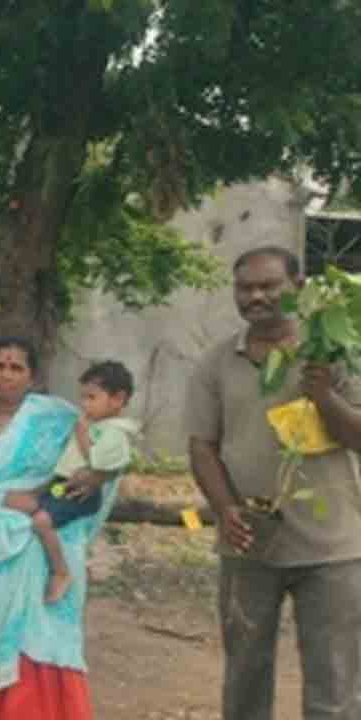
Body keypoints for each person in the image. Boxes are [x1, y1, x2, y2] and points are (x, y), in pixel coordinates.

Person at [187, 246, 361, 720]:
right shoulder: (217, 362)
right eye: (246, 288)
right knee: (245, 677)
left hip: (332, 550)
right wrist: (225, 510)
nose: (256, 296)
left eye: (269, 286)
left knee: (335, 686)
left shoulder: (331, 352)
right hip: (249, 544)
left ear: (298, 287)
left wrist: (324, 395)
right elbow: (202, 446)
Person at [0, 338, 111, 720]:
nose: (5, 374)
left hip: (39, 541)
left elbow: (89, 475)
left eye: (16, 367)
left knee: (36, 636)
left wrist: (37, 497)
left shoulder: (56, 420)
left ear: (33, 378)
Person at [2, 360, 139, 604]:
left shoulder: (115, 432)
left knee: (41, 522)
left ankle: (61, 572)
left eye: (91, 397)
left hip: (78, 494)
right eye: (83, 397)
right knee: (13, 501)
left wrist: (82, 434)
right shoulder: (98, 424)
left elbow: (97, 463)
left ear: (118, 399)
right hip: (60, 485)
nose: (84, 405)